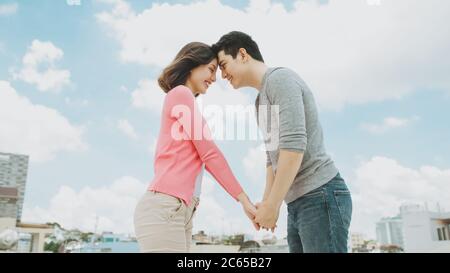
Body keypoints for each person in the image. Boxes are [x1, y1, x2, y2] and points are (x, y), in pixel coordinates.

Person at [212, 31, 353, 253]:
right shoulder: (260, 102)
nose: (222, 74)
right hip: (298, 202)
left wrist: (273, 205)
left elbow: (294, 147)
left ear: (242, 54)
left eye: (223, 65)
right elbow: (272, 160)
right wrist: (267, 203)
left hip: (321, 194)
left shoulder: (280, 79)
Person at [134, 42, 257, 253]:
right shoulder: (180, 94)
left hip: (180, 210)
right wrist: (243, 199)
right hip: (166, 208)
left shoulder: (184, 99)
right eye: (210, 69)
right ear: (192, 65)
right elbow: (209, 153)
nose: (214, 78)